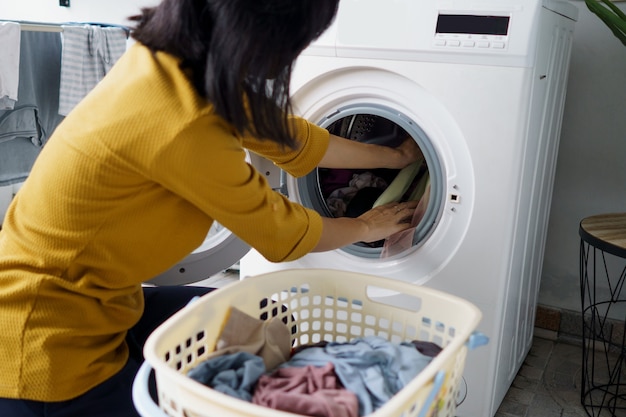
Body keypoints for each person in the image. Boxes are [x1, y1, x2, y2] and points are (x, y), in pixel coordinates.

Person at [0, 0, 422, 416]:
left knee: (270, 320)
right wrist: (365, 226)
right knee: (212, 389)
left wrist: (394, 157)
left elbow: (289, 138)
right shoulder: (184, 123)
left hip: (102, 301)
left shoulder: (167, 64)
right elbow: (283, 234)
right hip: (47, 344)